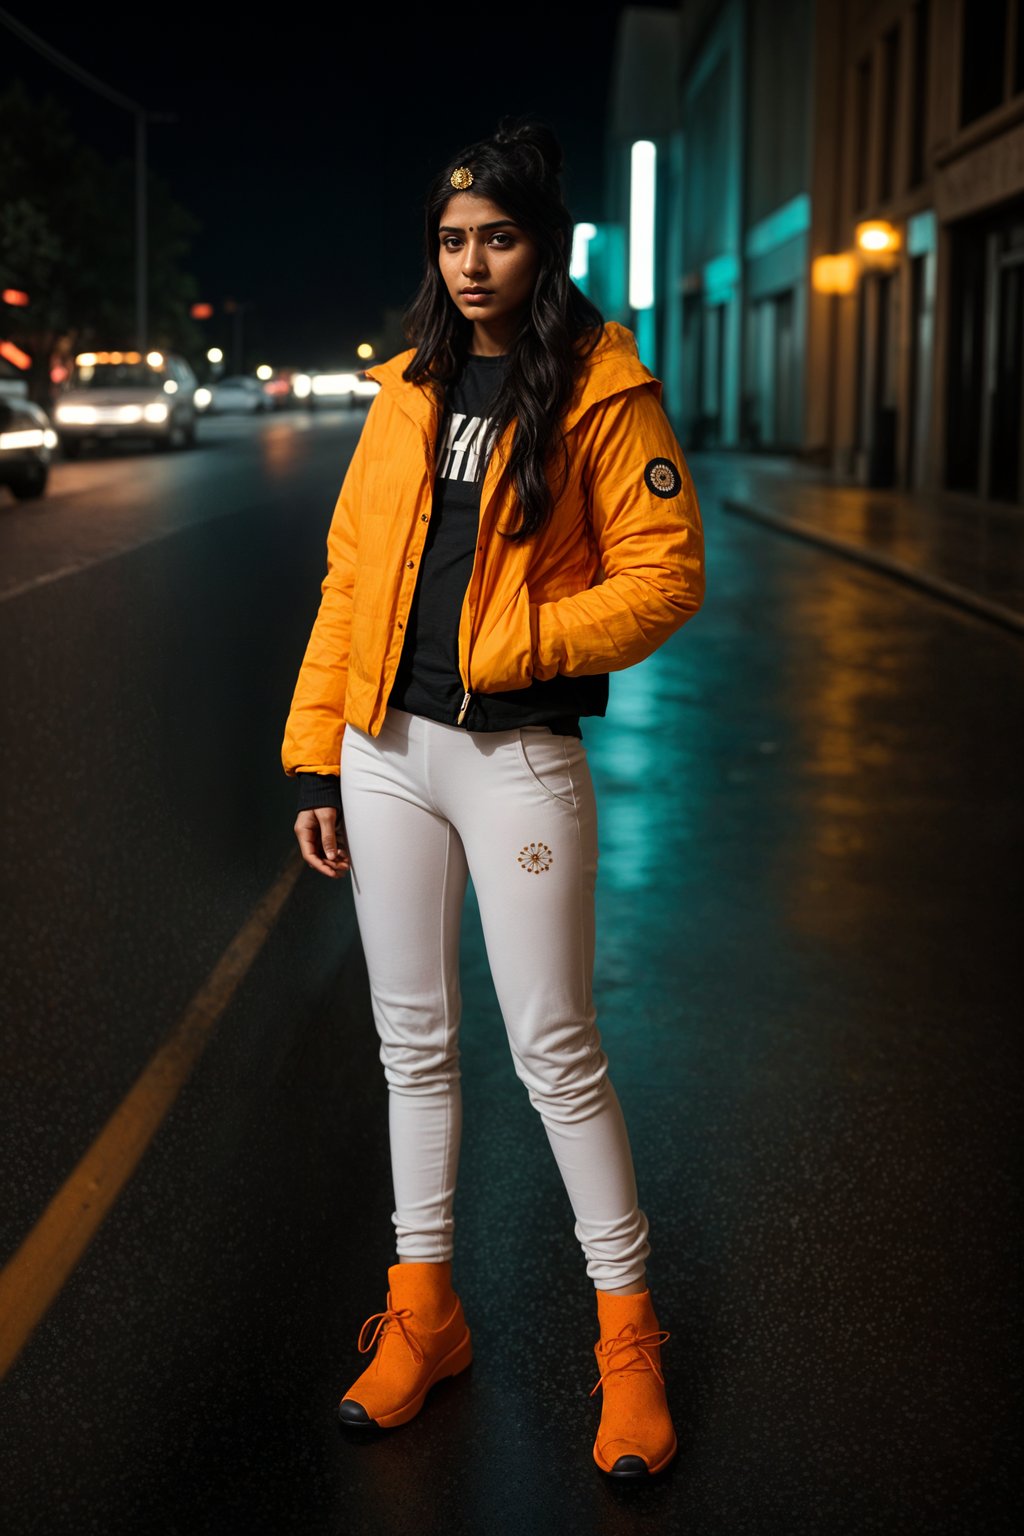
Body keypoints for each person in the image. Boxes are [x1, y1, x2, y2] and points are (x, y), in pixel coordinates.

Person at [281, 117, 705, 1479]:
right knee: (411, 1044)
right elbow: (352, 580)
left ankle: (629, 1350)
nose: (472, 264)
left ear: (543, 245)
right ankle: (424, 1318)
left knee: (554, 1052)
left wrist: (514, 647)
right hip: (384, 752)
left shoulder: (599, 387)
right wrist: (312, 751)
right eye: (453, 241)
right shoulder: (406, 386)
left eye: (498, 238)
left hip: (516, 753)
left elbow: (665, 575)